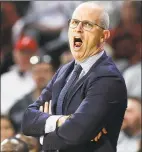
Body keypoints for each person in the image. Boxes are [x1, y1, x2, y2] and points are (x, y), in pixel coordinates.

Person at [22, 2, 127, 152]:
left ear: (104, 36)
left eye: (87, 25)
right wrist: (61, 120)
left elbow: (76, 132)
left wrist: (44, 135)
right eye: (75, 22)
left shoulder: (108, 78)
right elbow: (27, 119)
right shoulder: (64, 70)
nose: (78, 29)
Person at [9, 55, 55, 132]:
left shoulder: (62, 100)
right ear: (32, 75)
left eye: (46, 71)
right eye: (37, 71)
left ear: (54, 74)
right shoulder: (19, 106)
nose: (41, 75)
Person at [1, 36, 37, 114]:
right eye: (22, 52)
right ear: (15, 54)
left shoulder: (39, 78)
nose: (25, 57)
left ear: (35, 55)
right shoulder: (4, 79)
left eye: (29, 53)